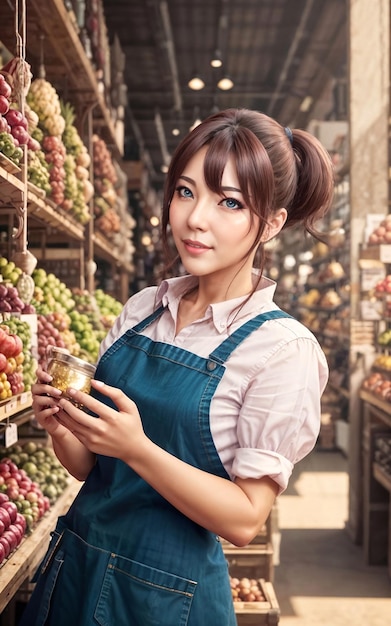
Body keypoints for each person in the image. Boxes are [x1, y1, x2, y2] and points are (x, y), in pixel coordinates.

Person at [20, 108, 334, 626]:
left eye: (229, 202)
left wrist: (137, 448)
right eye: (186, 192)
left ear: (273, 224)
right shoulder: (142, 309)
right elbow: (92, 468)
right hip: (75, 568)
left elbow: (244, 519)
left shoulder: (282, 350)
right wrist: (61, 426)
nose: (195, 218)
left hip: (166, 600)